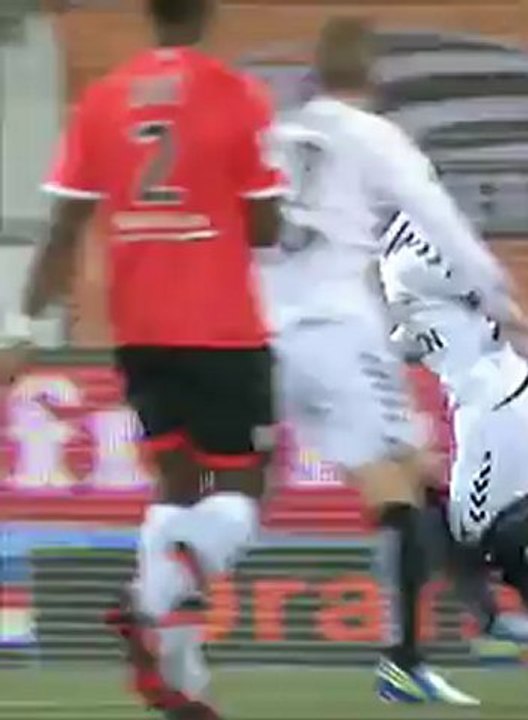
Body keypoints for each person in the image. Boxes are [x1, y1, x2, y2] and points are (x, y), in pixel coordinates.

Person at [0, 1, 283, 716]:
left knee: (178, 490)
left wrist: (20, 326)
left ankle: (182, 680)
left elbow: (63, 226)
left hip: (139, 332)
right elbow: (267, 224)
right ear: (208, 12)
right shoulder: (239, 94)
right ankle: (149, 595)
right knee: (243, 492)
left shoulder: (103, 99)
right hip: (220, 328)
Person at [258, 17, 486, 706]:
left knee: (235, 494)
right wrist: (495, 297)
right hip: (337, 330)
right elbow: (438, 218)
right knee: (403, 483)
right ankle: (411, 656)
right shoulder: (372, 136)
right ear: (374, 77)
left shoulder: (273, 137)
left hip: (265, 333)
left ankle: (157, 611)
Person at [380, 201, 528, 667]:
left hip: (493, 405)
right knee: (491, 537)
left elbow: (491, 294)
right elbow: (436, 325)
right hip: (502, 397)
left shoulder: (411, 252)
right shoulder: (403, 255)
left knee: (483, 544)